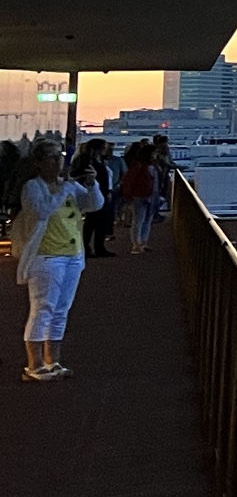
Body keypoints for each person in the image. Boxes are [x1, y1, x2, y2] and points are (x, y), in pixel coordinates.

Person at [16, 138, 103, 381]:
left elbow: (94, 205)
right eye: (52, 157)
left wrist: (92, 184)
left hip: (72, 255)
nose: (59, 162)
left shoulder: (69, 186)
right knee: (43, 308)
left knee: (61, 309)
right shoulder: (33, 187)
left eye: (60, 156)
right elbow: (42, 212)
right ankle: (33, 365)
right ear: (39, 163)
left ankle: (52, 360)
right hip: (46, 256)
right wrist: (63, 190)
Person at [119, 140, 158, 254]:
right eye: (154, 153)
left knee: (145, 220)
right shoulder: (140, 166)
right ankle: (137, 244)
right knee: (139, 219)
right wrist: (128, 195)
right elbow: (129, 181)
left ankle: (142, 242)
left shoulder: (146, 165)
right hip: (139, 195)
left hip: (146, 195)